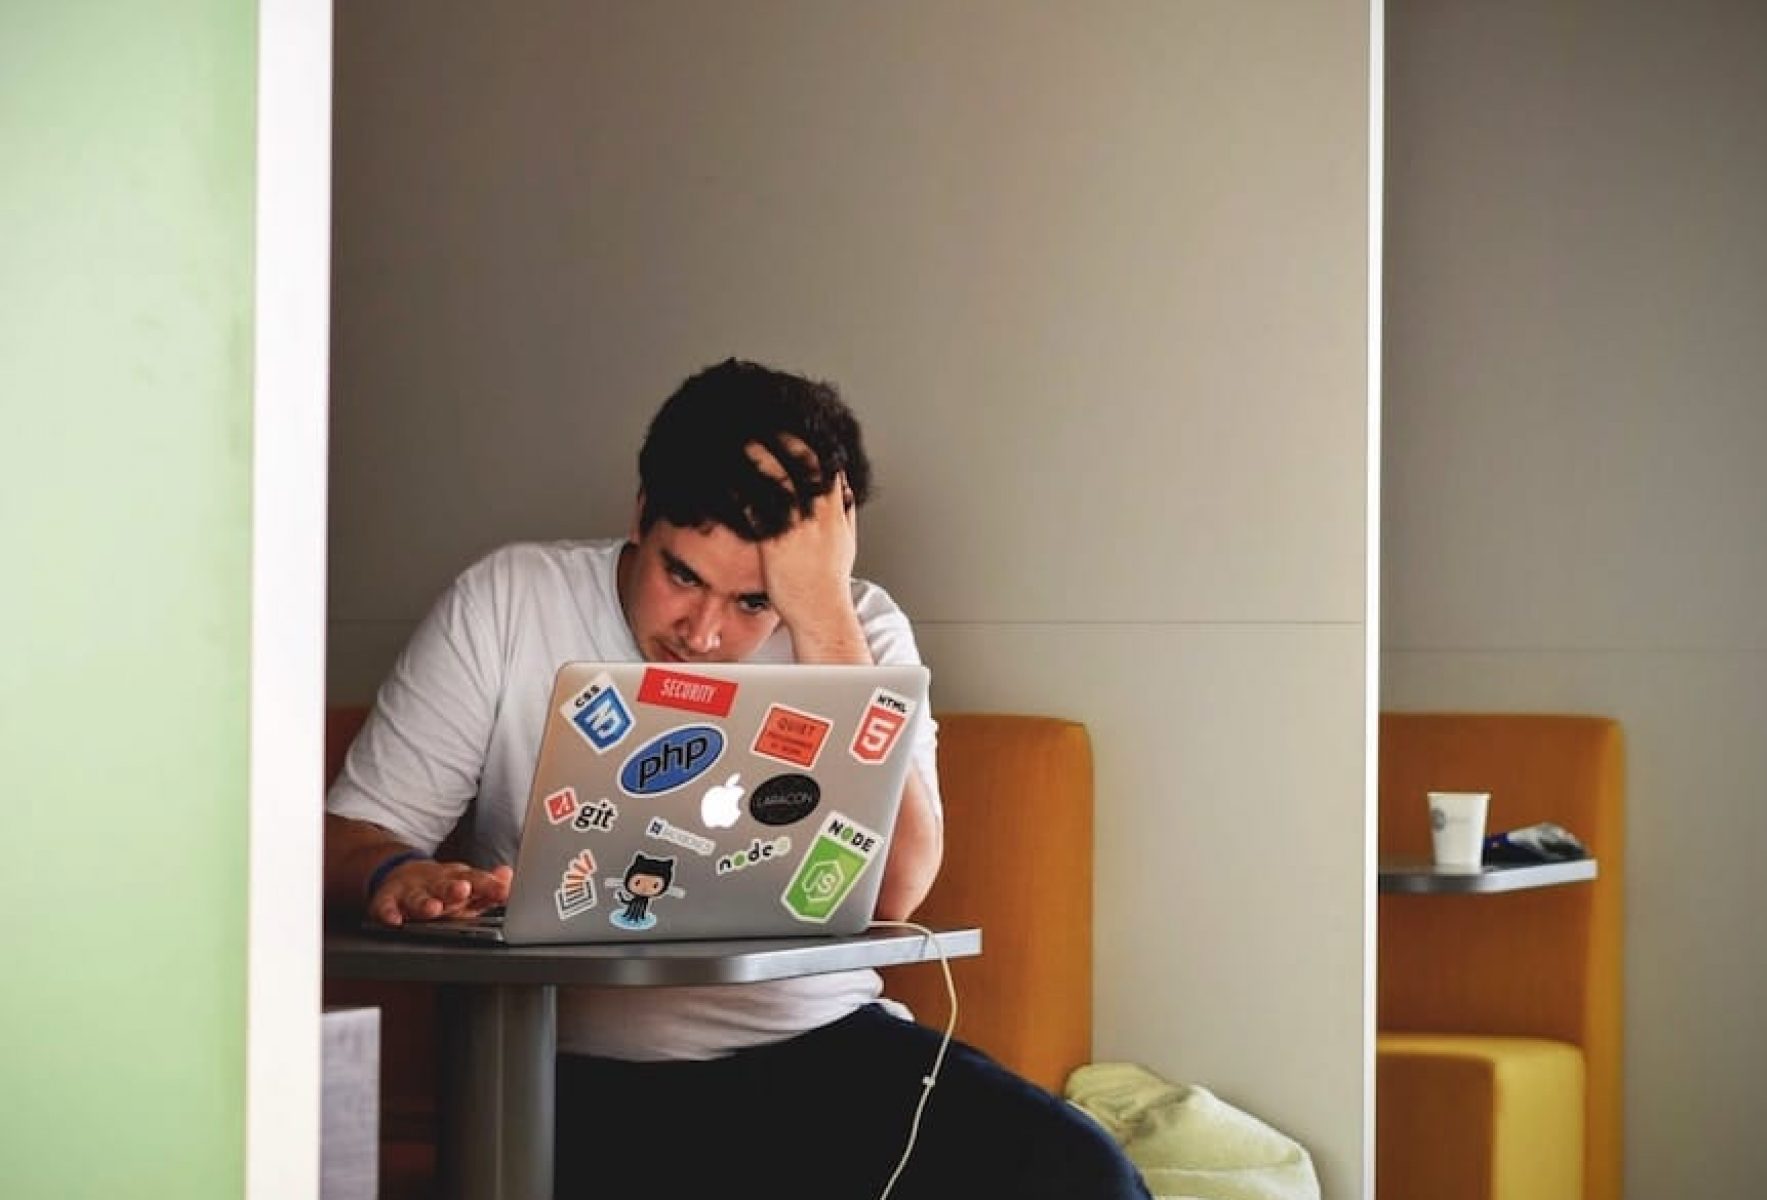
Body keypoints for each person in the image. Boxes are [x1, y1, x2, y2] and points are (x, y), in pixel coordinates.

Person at [322, 359, 1150, 1198]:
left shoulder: (859, 628)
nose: (703, 634)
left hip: (823, 1046)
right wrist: (401, 874)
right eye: (681, 575)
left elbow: (898, 888)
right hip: (573, 1072)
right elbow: (347, 837)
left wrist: (821, 614)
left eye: (754, 603)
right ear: (642, 514)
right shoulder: (509, 600)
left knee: (1089, 1180)